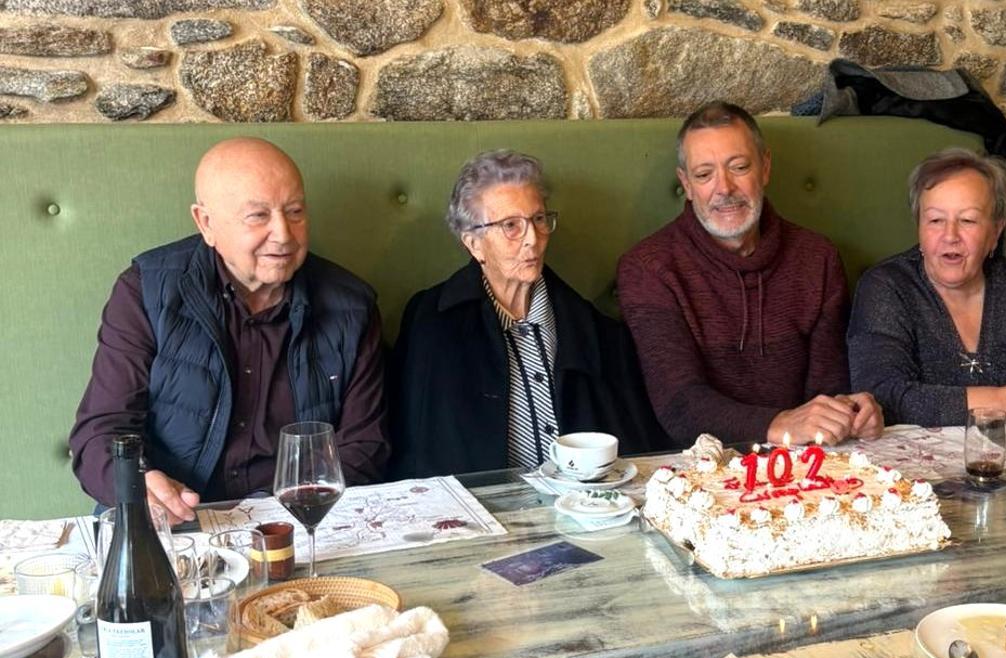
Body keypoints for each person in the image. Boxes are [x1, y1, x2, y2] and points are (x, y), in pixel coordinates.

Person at [71, 137, 389, 523]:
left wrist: (284, 519)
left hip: (296, 522)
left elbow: (365, 444)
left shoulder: (351, 305)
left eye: (295, 211)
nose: (284, 234)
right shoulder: (147, 291)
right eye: (258, 216)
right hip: (175, 523)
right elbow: (101, 432)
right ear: (206, 222)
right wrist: (138, 485)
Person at [618, 101, 883, 447]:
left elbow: (828, 388)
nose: (724, 188)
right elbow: (680, 406)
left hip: (803, 463)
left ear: (765, 168)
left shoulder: (817, 257)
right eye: (704, 174)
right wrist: (781, 424)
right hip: (696, 469)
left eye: (739, 167)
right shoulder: (649, 268)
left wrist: (851, 412)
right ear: (685, 182)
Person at [388, 150, 667, 478]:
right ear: (474, 244)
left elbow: (633, 444)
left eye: (538, 219)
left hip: (583, 510)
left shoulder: (595, 332)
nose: (532, 239)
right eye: (511, 226)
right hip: (481, 514)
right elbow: (421, 451)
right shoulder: (432, 325)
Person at [847, 148, 1006, 426]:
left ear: (995, 233)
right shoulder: (886, 287)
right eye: (935, 220)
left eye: (967, 220)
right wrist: (1002, 402)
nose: (950, 236)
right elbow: (880, 396)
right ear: (919, 227)